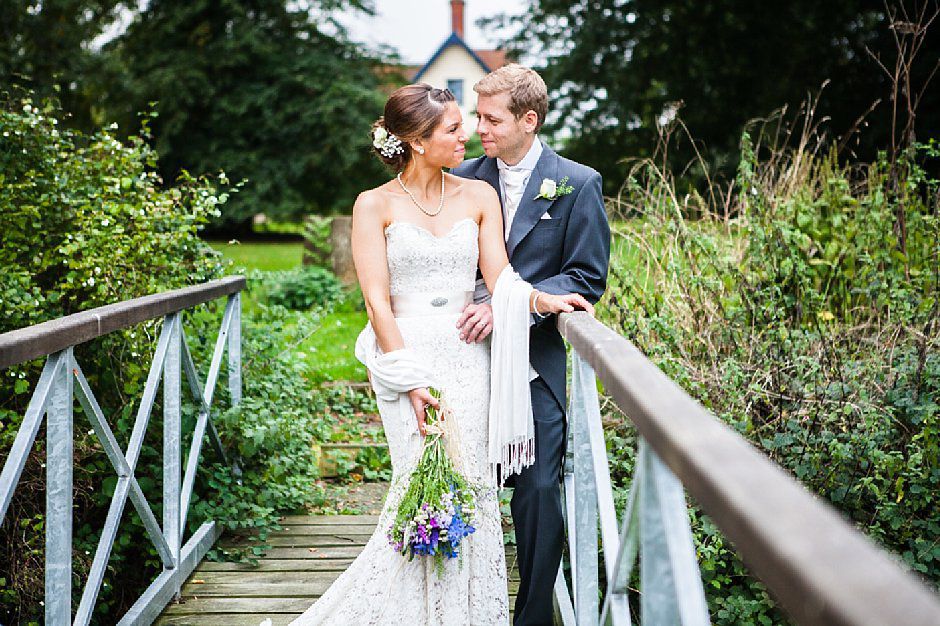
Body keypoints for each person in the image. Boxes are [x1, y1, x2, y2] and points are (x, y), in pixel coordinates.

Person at [290, 83, 593, 625]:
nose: (470, 135)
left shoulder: (478, 197)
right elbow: (376, 302)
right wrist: (410, 383)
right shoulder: (373, 205)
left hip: (468, 360)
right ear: (415, 141)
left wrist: (546, 299)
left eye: (469, 123)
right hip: (408, 362)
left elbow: (502, 279)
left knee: (472, 488)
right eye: (455, 128)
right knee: (418, 487)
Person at [451, 65, 611, 626]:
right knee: (457, 480)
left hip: (534, 362)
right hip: (462, 356)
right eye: (476, 116)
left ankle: (533, 615)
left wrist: (511, 306)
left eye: (491, 119)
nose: (479, 129)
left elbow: (585, 278)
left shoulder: (578, 182)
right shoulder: (462, 177)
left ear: (529, 120)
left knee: (540, 488)